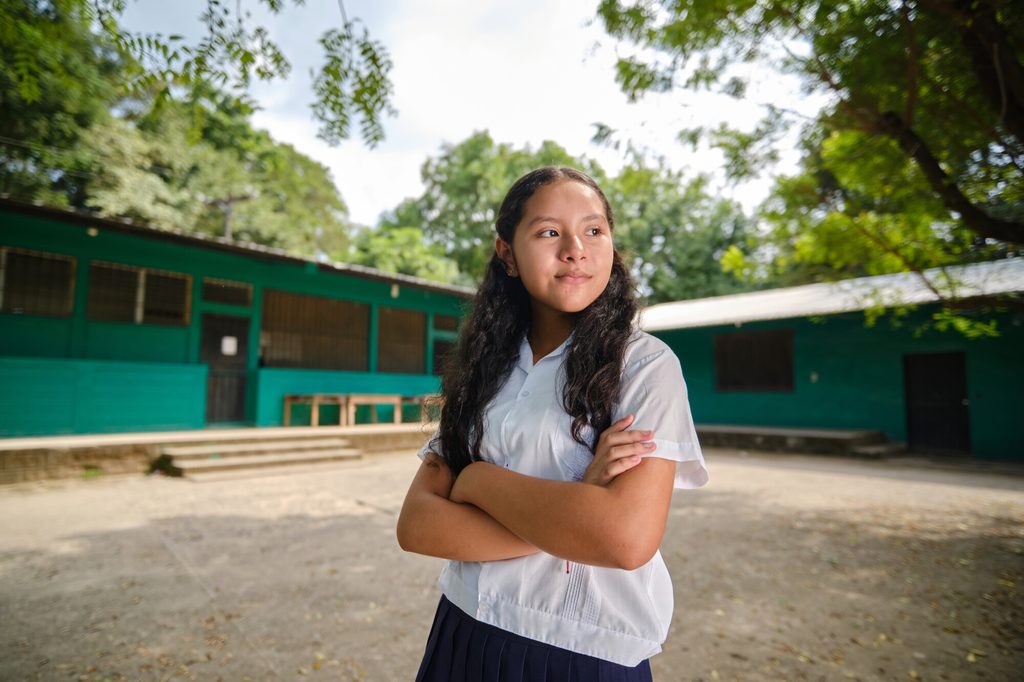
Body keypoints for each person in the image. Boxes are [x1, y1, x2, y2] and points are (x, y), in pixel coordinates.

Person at [396, 166, 709, 681]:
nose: (575, 249)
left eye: (593, 230)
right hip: (465, 626)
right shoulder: (481, 369)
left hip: (584, 651)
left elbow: (623, 540)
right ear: (507, 254)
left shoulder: (645, 366)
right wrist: (577, 501)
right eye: (548, 232)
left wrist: (477, 481)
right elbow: (417, 525)